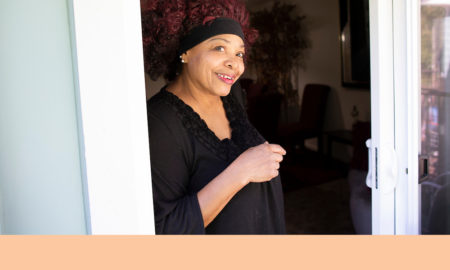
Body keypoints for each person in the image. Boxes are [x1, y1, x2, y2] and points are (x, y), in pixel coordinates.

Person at [141, 0, 286, 234]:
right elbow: (167, 230)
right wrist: (242, 171)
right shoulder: (160, 122)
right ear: (185, 52)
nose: (234, 63)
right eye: (219, 48)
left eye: (239, 53)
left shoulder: (231, 96)